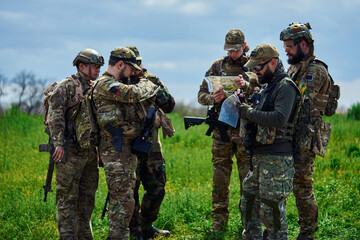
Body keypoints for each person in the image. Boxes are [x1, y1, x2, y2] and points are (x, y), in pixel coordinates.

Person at [91, 47, 158, 240]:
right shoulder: (106, 85)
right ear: (120, 65)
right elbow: (133, 94)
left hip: (125, 152)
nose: (132, 72)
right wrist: (147, 84)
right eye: (130, 68)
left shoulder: (115, 83)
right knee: (121, 204)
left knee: (126, 200)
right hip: (115, 153)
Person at [238, 43, 300, 240]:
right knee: (248, 202)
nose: (256, 71)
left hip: (277, 160)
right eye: (254, 68)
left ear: (273, 63)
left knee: (271, 213)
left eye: (259, 67)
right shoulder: (268, 87)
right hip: (260, 158)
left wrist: (248, 112)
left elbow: (279, 118)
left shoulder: (286, 87)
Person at [280, 22, 334, 240]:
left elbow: (303, 105)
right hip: (287, 135)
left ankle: (307, 233)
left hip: (304, 138)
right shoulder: (293, 69)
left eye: (290, 46)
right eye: (284, 46)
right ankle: (277, 229)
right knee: (280, 183)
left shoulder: (316, 71)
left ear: (304, 44)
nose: (286, 50)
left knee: (302, 187)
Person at [46, 48, 104, 239]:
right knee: (67, 200)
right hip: (69, 152)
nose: (97, 70)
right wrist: (59, 144)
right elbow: (55, 117)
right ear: (82, 66)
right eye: (94, 66)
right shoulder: (66, 86)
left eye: (99, 67)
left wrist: (99, 151)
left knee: (87, 200)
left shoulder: (94, 88)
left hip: (89, 153)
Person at [197, 28, 250, 231]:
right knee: (220, 177)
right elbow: (201, 95)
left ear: (244, 46)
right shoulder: (217, 66)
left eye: (236, 50)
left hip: (245, 129)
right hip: (222, 130)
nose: (232, 54)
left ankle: (249, 223)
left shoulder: (253, 66)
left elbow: (265, 92)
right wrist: (213, 98)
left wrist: (247, 88)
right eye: (229, 50)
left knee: (248, 178)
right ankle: (219, 223)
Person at [127, 46, 175, 240]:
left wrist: (155, 89)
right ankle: (134, 230)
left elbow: (170, 106)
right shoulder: (118, 82)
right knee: (131, 190)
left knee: (157, 188)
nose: (137, 67)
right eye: (133, 64)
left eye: (139, 62)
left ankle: (146, 225)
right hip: (127, 147)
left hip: (151, 146)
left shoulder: (152, 79)